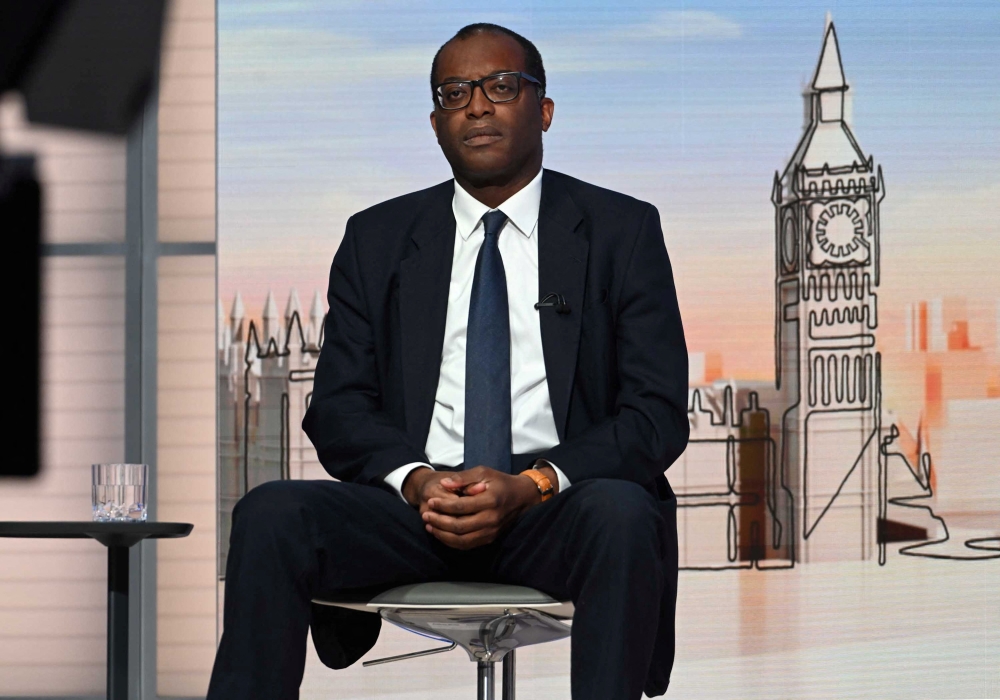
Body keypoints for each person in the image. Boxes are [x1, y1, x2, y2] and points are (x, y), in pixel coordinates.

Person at [207, 22, 689, 700]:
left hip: (555, 511)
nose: (478, 106)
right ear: (436, 122)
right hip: (416, 513)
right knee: (270, 514)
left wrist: (533, 485)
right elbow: (339, 406)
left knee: (622, 511)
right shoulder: (375, 239)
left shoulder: (622, 230)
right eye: (456, 92)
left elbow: (655, 417)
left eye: (501, 86)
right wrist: (417, 481)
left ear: (543, 108)